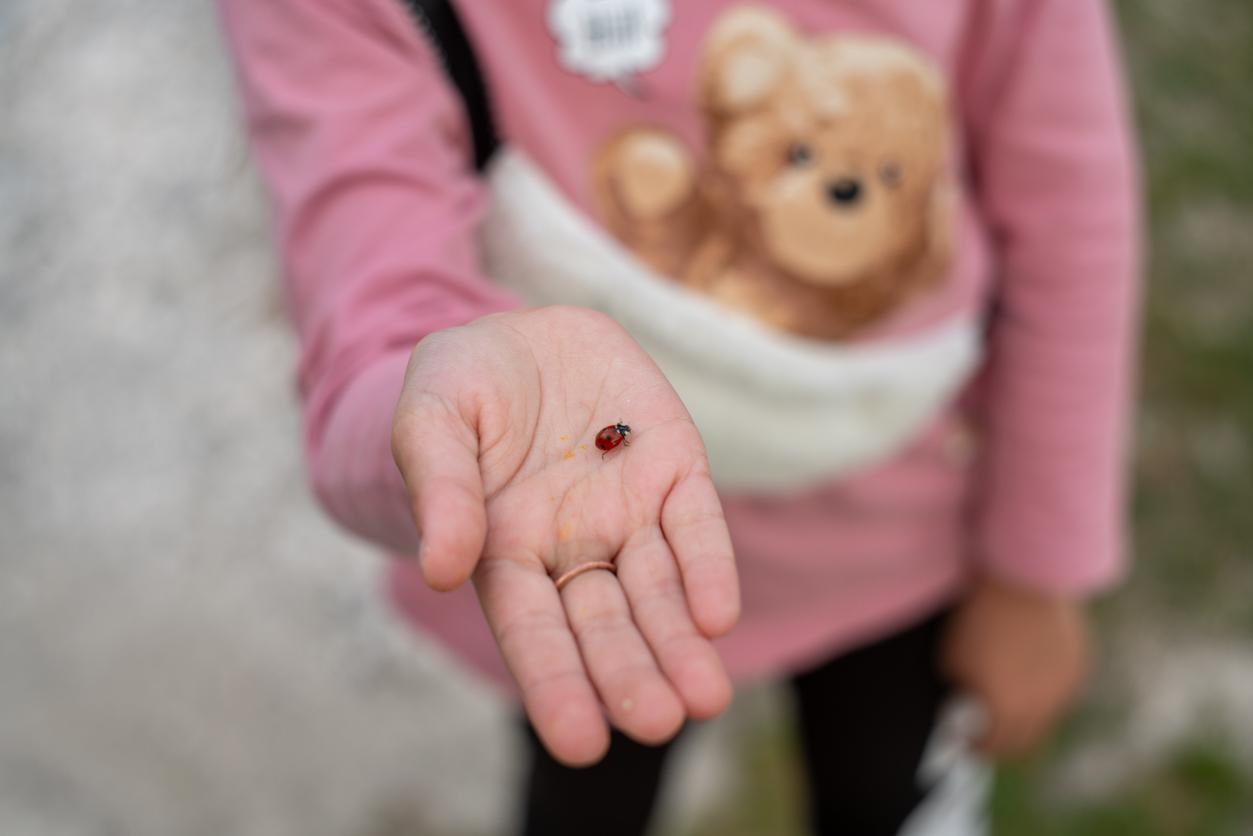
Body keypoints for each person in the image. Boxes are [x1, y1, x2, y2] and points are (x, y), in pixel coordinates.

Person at [216, 1, 1141, 833]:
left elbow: (1071, 210)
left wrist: (1034, 572)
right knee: (586, 793)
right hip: (593, 570)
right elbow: (371, 304)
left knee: (882, 790)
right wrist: (443, 418)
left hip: (904, 531)